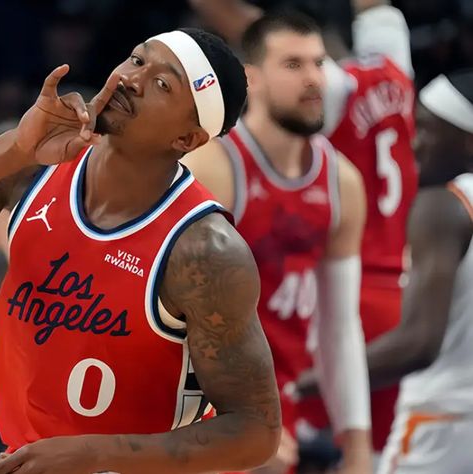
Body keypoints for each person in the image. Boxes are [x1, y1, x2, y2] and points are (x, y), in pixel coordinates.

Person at [0, 28, 282, 473]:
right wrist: (15, 148)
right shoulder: (34, 170)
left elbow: (255, 432)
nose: (131, 80)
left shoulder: (203, 250)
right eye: (136, 60)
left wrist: (90, 454)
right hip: (29, 456)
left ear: (187, 140)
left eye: (162, 83)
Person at [182, 12, 371, 474]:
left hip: (279, 407)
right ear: (252, 77)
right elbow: (174, 316)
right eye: (292, 64)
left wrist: (357, 442)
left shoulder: (342, 182)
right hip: (202, 409)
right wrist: (229, 415)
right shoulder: (211, 167)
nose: (313, 79)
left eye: (318, 63)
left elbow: (339, 326)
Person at [293, 0, 418, 459]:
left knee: (307, 448)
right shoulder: (397, 73)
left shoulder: (332, 88)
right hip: (402, 289)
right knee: (380, 453)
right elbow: (378, 11)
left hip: (344, 292)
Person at [370, 71, 473, 474]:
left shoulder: (444, 205)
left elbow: (418, 343)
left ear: (467, 141)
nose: (415, 142)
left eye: (428, 129)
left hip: (443, 424)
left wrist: (312, 382)